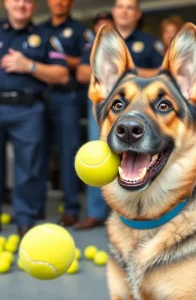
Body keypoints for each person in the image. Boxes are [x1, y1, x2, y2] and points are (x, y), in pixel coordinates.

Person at [0, 0, 68, 237]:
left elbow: (61, 74)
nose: (21, 4)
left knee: (29, 168)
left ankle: (25, 223)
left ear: (34, 7)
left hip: (28, 110)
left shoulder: (46, 36)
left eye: (28, 0)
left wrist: (28, 65)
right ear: (6, 3)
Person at [39, 0, 93, 227]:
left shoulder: (82, 32)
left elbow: (85, 67)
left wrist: (57, 60)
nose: (59, 2)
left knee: (68, 153)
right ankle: (34, 207)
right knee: (35, 154)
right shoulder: (38, 29)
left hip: (68, 98)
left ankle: (71, 208)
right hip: (38, 96)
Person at [74, 12, 114, 230]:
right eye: (98, 25)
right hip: (98, 107)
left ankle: (128, 214)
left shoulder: (134, 43)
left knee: (131, 158)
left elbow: (156, 72)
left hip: (132, 106)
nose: (102, 28)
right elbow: (81, 74)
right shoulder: (91, 47)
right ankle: (96, 212)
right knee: (97, 157)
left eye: (107, 24)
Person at [112, 0, 164, 78]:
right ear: (114, 11)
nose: (124, 11)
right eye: (120, 7)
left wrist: (131, 72)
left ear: (138, 14)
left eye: (130, 8)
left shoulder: (151, 42)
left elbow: (165, 74)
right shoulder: (100, 42)